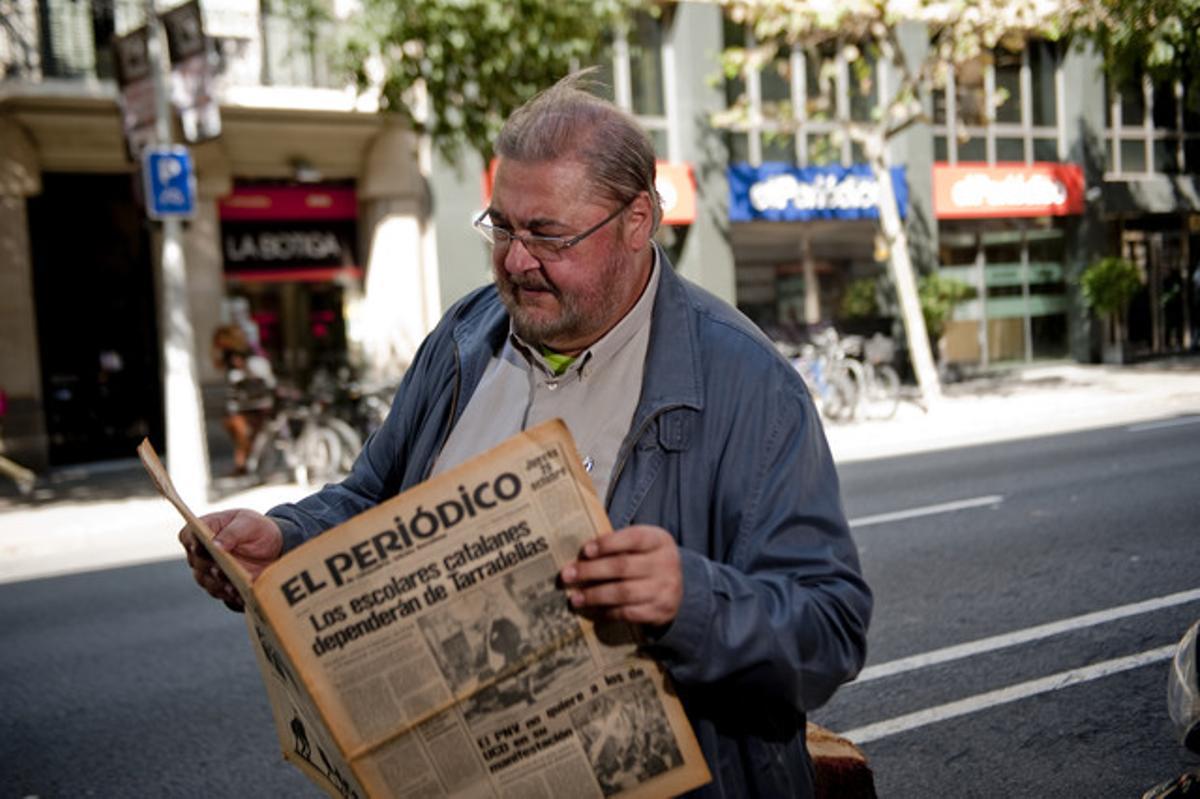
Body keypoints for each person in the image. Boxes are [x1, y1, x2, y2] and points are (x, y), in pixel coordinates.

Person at [181, 72, 872, 797]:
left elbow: (829, 627)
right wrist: (286, 539)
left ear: (638, 221)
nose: (515, 259)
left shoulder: (750, 386)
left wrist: (689, 599)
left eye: (547, 233)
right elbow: (372, 502)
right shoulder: (464, 336)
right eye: (502, 226)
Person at [211, 324, 276, 476]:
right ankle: (244, 465)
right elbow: (217, 365)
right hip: (242, 401)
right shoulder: (230, 354)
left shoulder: (243, 354)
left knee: (244, 433)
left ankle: (243, 466)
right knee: (240, 432)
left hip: (250, 402)